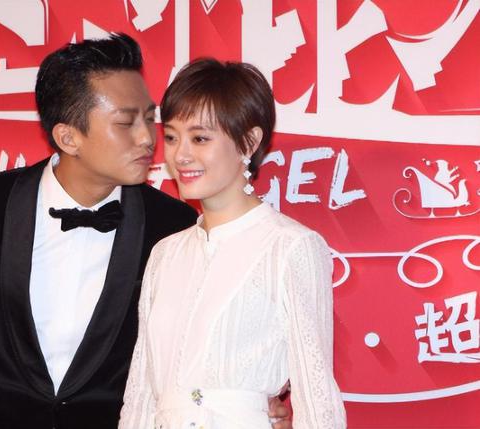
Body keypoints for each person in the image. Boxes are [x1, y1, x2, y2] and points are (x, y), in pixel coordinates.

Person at [0, 35, 291, 429]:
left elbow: (190, 355)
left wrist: (246, 406)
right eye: (126, 123)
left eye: (149, 118)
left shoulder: (173, 226)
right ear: (68, 137)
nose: (147, 138)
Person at [119, 58, 347, 428]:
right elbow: (141, 398)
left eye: (200, 138)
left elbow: (317, 398)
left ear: (249, 141)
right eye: (172, 137)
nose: (181, 155)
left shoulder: (290, 247)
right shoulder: (165, 254)